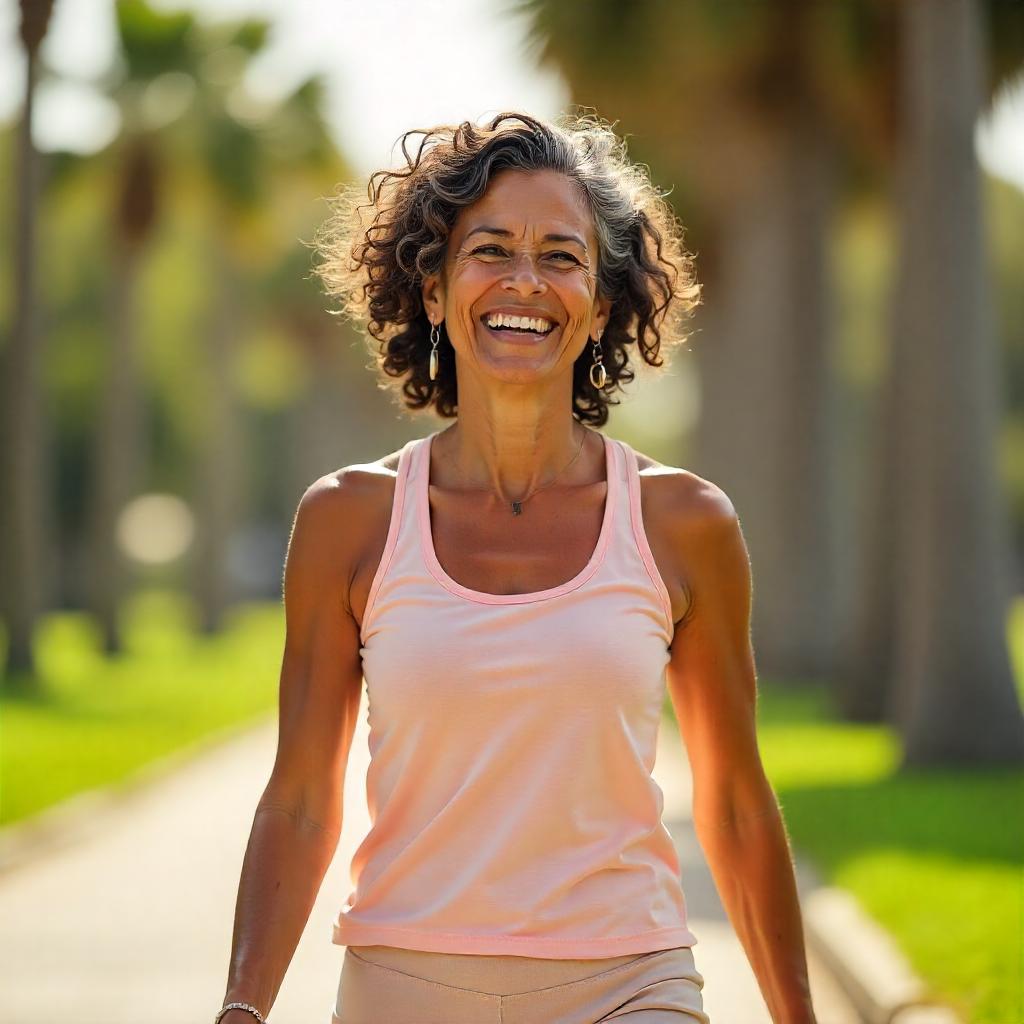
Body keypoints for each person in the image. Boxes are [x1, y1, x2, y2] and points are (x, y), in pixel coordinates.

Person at [213, 111, 819, 1024]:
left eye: (563, 256)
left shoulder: (685, 523)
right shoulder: (349, 519)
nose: (524, 281)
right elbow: (299, 799)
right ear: (432, 291)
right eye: (490, 249)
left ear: (604, 305)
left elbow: (734, 801)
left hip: (631, 983)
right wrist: (242, 1008)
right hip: (403, 985)